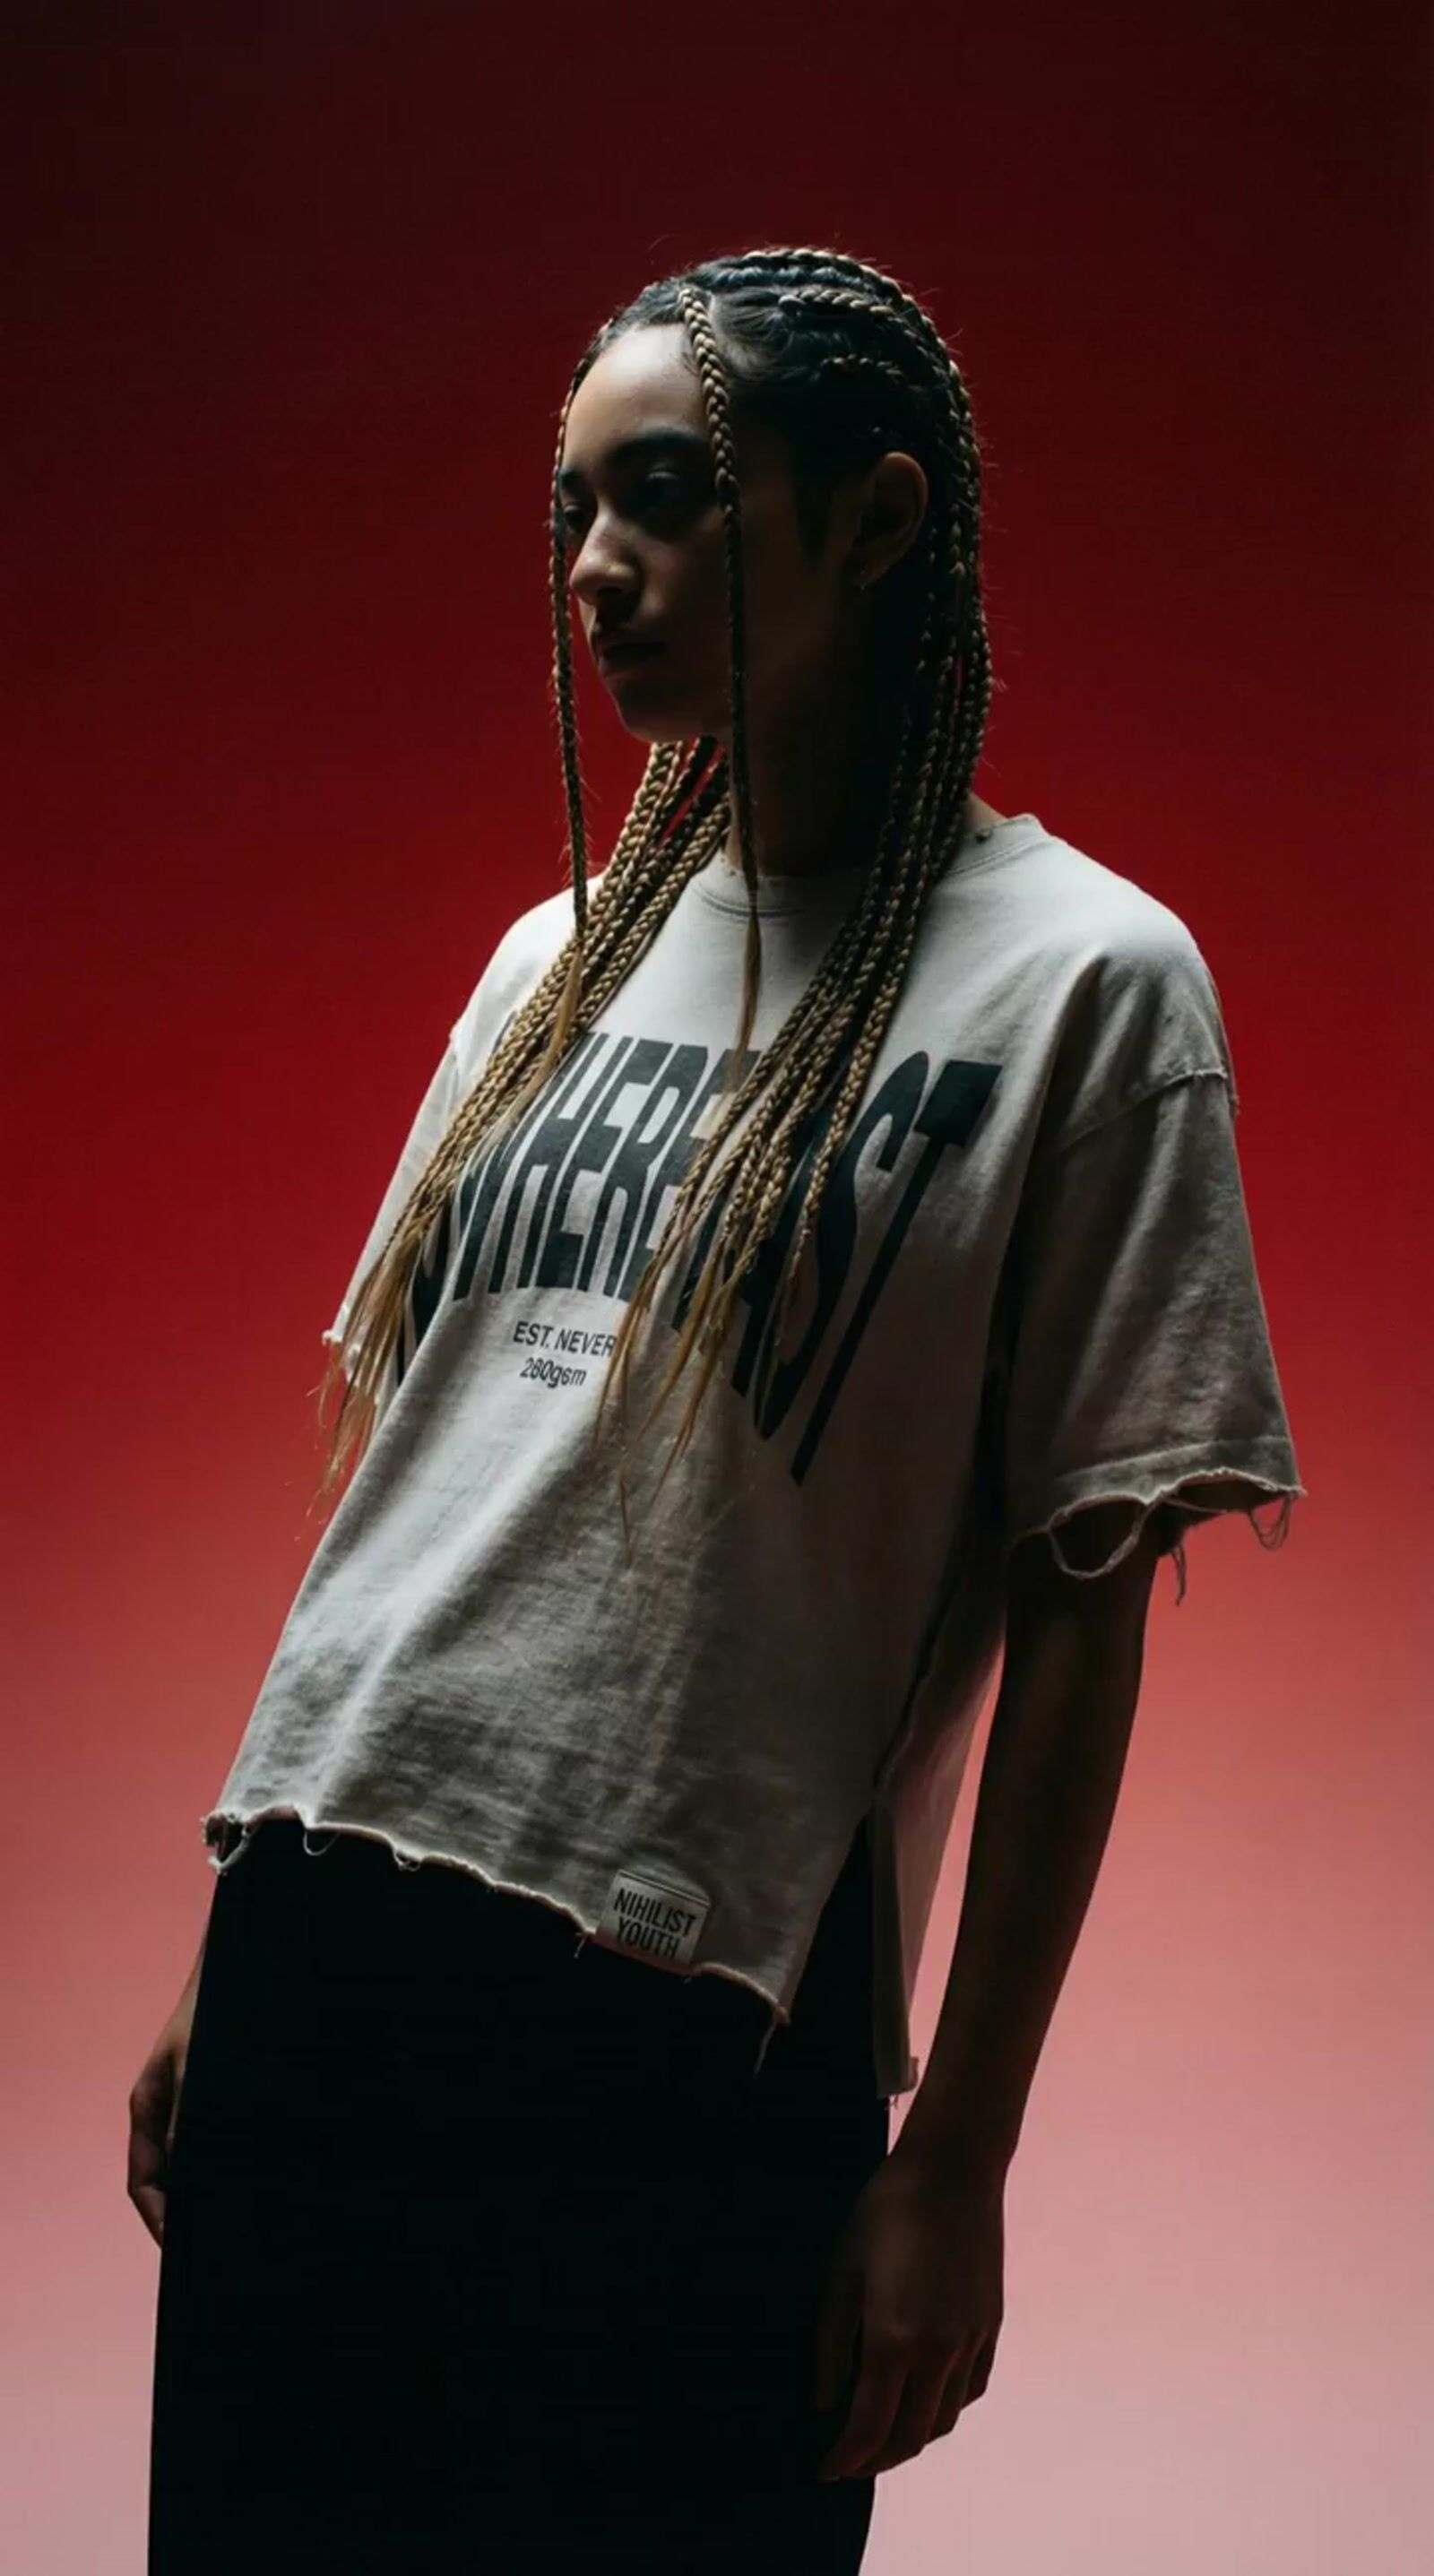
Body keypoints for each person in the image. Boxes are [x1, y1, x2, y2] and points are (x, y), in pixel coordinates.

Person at [130, 245, 1305, 2572]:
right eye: (572, 509)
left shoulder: (1086, 991)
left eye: (663, 494)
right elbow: (407, 1472)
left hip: (694, 2024)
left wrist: (954, 2158)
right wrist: (225, 1941)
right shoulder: (544, 964)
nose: (595, 565)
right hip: (323, 1963)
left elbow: (1088, 1612)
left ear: (874, 523)